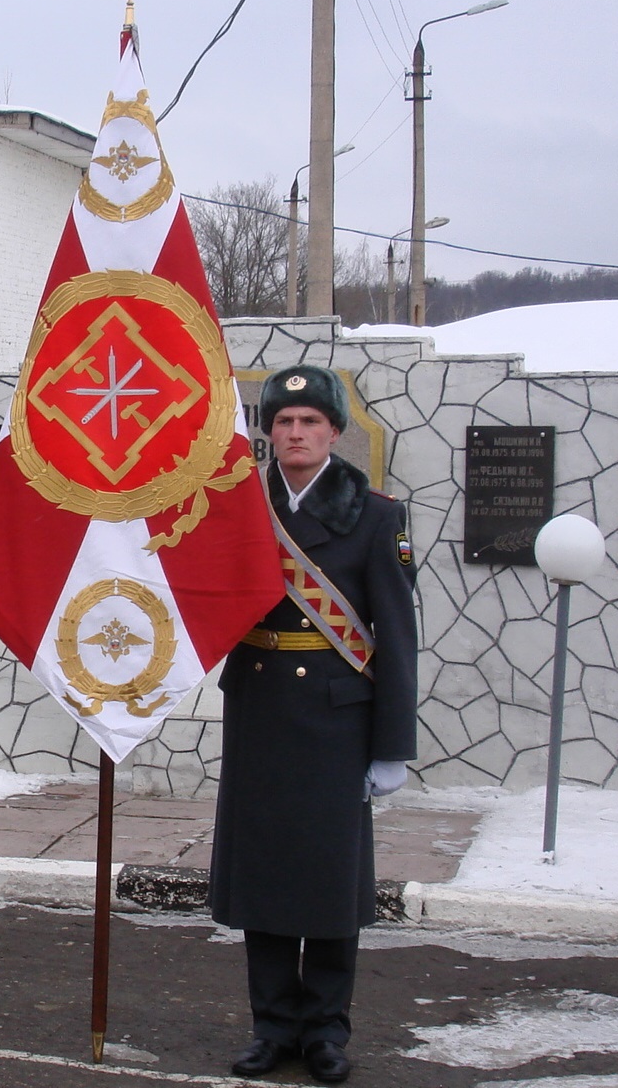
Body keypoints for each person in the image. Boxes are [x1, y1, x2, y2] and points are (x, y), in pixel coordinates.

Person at [210, 365, 418, 1083]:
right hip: (261, 711)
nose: (295, 433)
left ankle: (326, 1030)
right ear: (267, 432)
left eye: (309, 421)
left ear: (334, 431)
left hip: (337, 722)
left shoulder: (375, 515)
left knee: (329, 886)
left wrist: (392, 746)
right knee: (265, 880)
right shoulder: (238, 506)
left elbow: (394, 635)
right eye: (283, 421)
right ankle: (271, 1027)